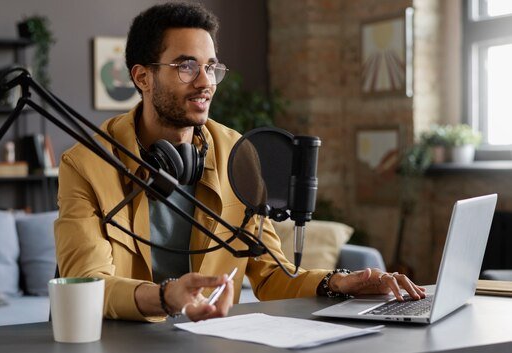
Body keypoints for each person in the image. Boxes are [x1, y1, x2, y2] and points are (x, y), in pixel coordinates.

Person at [54, 2, 426, 323]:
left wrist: (338, 281)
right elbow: (87, 286)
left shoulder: (236, 151)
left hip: (207, 335)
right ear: (142, 77)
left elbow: (269, 275)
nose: (206, 82)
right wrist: (168, 297)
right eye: (187, 67)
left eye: (211, 67)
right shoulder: (85, 163)